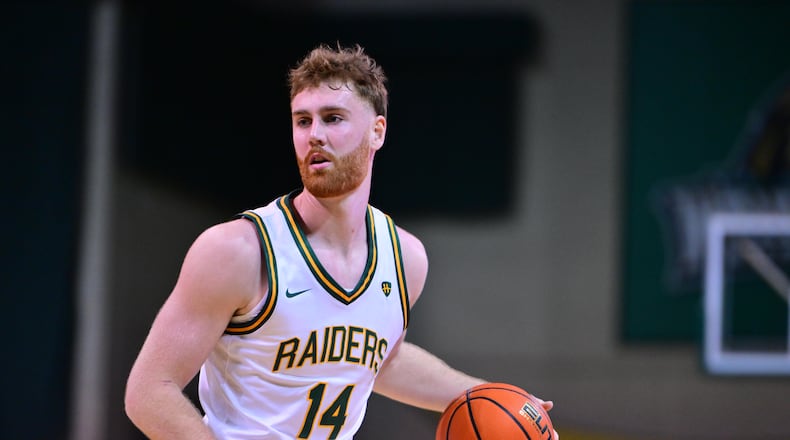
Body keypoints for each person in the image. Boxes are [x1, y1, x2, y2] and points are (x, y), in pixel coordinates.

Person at [125, 44, 557, 440]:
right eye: (302, 120)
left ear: (377, 132)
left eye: (332, 118)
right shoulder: (238, 251)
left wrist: (496, 398)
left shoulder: (405, 258)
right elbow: (148, 391)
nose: (314, 134)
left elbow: (379, 361)